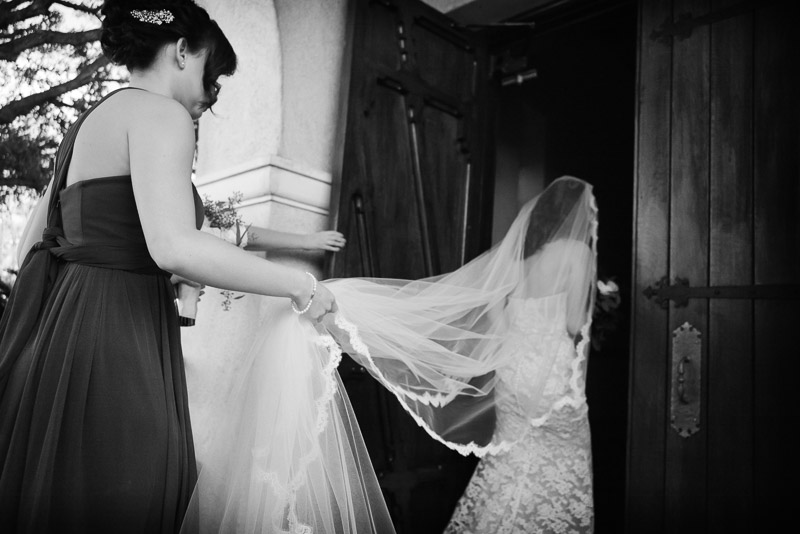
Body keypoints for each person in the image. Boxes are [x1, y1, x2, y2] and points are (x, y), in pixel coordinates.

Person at [0, 1, 341, 532]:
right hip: (118, 333)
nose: (212, 97)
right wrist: (298, 284)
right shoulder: (162, 115)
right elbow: (175, 246)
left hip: (64, 331)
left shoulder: (87, 125)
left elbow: (31, 246)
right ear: (183, 51)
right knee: (134, 484)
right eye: (213, 76)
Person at [185, 176, 597, 533]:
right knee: (558, 455)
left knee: (513, 459)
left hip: (513, 369)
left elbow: (499, 319)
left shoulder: (521, 264)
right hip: (553, 371)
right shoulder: (578, 255)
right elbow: (575, 324)